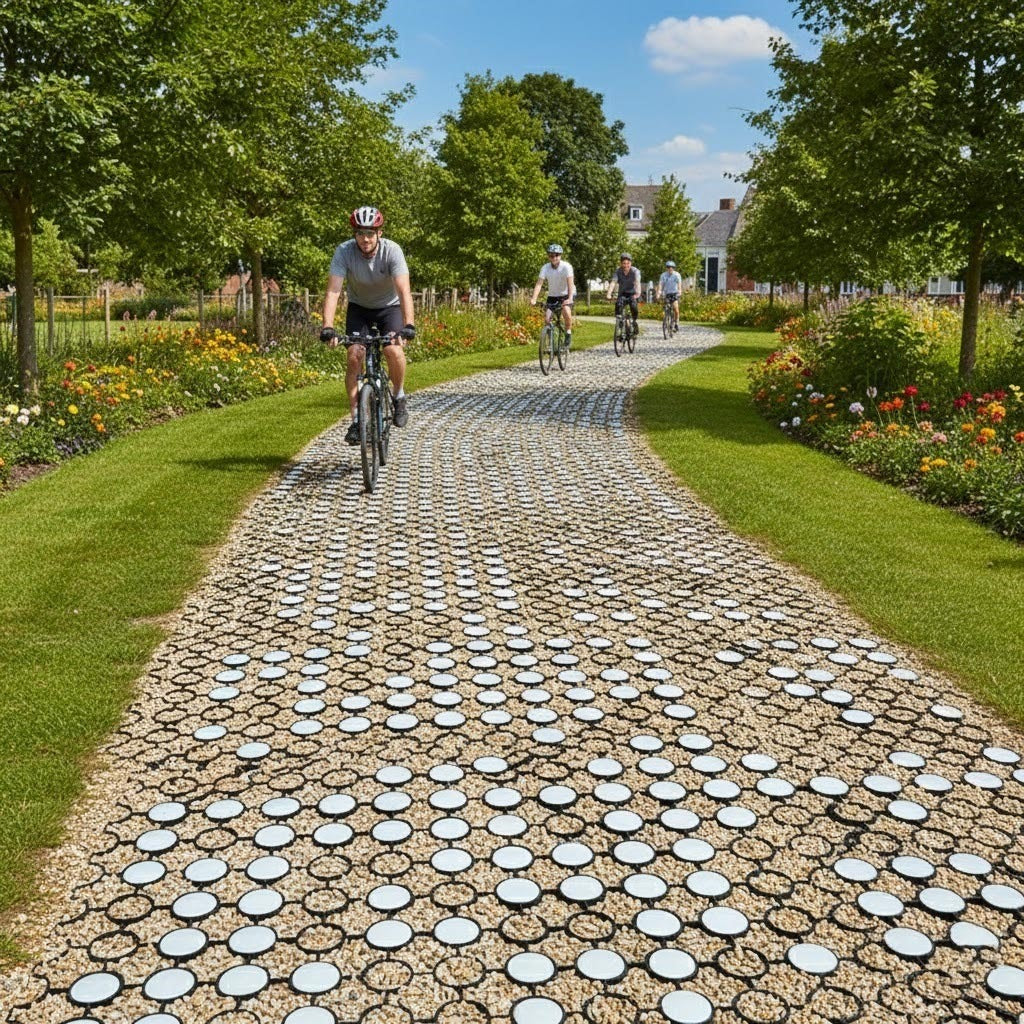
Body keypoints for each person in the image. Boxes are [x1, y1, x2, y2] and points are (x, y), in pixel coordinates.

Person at [319, 206, 415, 445]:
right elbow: (333, 291)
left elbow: (404, 291)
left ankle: (398, 395)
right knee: (354, 354)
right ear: (355, 234)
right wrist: (327, 326)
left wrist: (408, 324)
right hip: (359, 308)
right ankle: (356, 420)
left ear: (379, 233)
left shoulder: (393, 251)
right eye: (360, 233)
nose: (365, 239)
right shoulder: (344, 252)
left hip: (389, 308)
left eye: (370, 233)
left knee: (393, 350)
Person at [529, 244, 575, 347]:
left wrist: (570, 298)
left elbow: (570, 283)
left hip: (565, 294)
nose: (554, 258)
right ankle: (551, 343)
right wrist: (534, 298)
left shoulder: (566, 267)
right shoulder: (545, 268)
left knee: (566, 312)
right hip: (553, 296)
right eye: (551, 255)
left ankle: (568, 333)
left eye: (556, 255)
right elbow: (539, 284)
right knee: (547, 319)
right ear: (548, 256)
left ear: (560, 256)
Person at [606, 253, 641, 334]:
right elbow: (613, 283)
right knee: (618, 305)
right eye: (624, 263)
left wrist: (638, 293)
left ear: (630, 263)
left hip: (633, 294)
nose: (626, 265)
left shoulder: (635, 271)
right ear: (621, 264)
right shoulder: (618, 271)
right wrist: (609, 293)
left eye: (628, 263)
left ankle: (634, 322)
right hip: (622, 294)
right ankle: (620, 322)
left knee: (634, 307)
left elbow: (637, 282)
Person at [657, 260, 682, 332]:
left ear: (674, 268)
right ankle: (667, 318)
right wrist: (659, 293)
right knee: (667, 307)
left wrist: (680, 291)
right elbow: (660, 284)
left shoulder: (677, 275)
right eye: (668, 267)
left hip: (674, 293)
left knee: (676, 309)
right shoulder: (663, 275)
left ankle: (676, 323)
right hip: (667, 294)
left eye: (672, 267)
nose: (670, 268)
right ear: (666, 268)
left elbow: (679, 284)